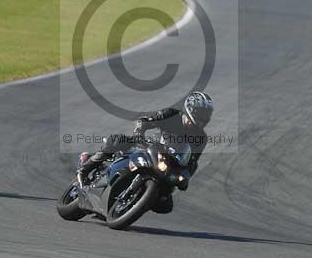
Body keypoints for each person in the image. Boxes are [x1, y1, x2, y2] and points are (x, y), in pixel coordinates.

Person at [78, 91, 213, 213]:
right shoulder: (172, 114)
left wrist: (186, 177)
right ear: (190, 109)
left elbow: (192, 161)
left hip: (170, 163)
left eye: (207, 114)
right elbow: (146, 121)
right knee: (117, 141)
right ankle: (87, 166)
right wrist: (140, 131)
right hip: (151, 147)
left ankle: (132, 203)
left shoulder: (201, 138)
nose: (204, 117)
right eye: (201, 113)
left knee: (165, 205)